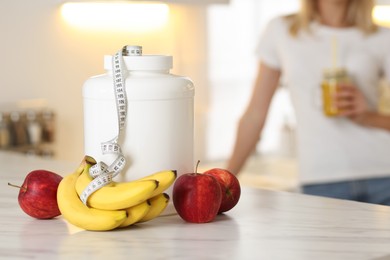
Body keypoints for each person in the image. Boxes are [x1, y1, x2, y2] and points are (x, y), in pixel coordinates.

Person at [227, 0, 390, 205]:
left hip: (384, 175)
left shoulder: (383, 36)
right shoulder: (281, 31)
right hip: (321, 180)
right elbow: (254, 115)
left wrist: (367, 116)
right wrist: (224, 179)